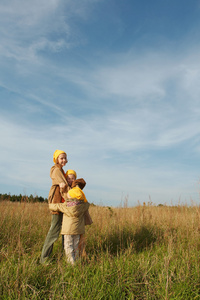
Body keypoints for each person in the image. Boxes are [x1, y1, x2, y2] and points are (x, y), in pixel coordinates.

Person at [49, 169, 92, 265]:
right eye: (69, 178)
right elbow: (86, 203)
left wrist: (50, 204)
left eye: (73, 178)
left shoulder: (66, 206)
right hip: (78, 229)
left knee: (68, 245)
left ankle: (71, 263)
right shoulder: (83, 205)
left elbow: (56, 206)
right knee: (76, 245)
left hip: (68, 230)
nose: (71, 180)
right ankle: (76, 260)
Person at [40, 149, 69, 264]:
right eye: (61, 158)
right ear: (56, 159)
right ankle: (44, 259)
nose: (64, 160)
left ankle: (65, 255)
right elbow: (64, 185)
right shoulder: (56, 169)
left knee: (65, 230)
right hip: (57, 204)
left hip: (62, 204)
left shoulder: (62, 170)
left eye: (65, 158)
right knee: (54, 231)